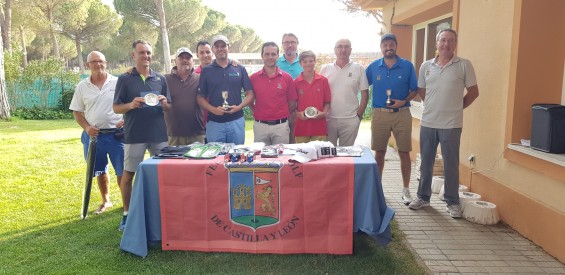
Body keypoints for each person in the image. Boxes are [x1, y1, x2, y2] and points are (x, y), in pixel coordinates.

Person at [409, 29, 479, 218]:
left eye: (450, 41)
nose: (446, 44)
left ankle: (452, 202)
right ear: (437, 43)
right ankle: (423, 197)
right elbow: (422, 91)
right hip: (428, 122)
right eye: (443, 40)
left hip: (452, 124)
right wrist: (433, 105)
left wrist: (457, 107)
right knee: (426, 162)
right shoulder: (426, 66)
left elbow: (473, 92)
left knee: (451, 164)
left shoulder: (464, 65)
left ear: (455, 44)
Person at [113, 40, 171, 231]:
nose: (145, 56)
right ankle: (127, 214)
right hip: (135, 134)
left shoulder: (160, 79)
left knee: (164, 175)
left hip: (159, 135)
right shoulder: (125, 78)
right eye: (141, 53)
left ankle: (164, 212)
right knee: (128, 176)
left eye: (148, 53)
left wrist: (164, 103)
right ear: (133, 55)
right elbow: (116, 106)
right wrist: (131, 105)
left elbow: (169, 106)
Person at [365, 33, 418, 205]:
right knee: (379, 152)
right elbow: (361, 86)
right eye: (385, 45)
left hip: (402, 113)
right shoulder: (373, 67)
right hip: (380, 114)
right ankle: (378, 189)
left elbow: (415, 89)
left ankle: (406, 190)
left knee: (404, 152)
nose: (388, 48)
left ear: (396, 46)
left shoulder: (407, 66)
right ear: (381, 47)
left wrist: (403, 101)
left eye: (391, 45)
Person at [69, 51, 124, 215]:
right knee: (100, 169)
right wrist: (87, 128)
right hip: (94, 136)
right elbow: (77, 113)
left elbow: (130, 105)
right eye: (93, 62)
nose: (97, 64)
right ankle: (106, 201)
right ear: (87, 65)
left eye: (100, 61)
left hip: (118, 135)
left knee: (123, 169)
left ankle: (126, 202)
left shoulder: (118, 82)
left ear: (106, 63)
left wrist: (127, 120)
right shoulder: (82, 86)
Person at [197, 35, 254, 145]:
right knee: (214, 159)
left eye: (223, 46)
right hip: (214, 123)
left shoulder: (239, 68)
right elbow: (200, 97)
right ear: (213, 49)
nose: (220, 49)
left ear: (229, 47)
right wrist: (213, 110)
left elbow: (250, 93)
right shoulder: (207, 70)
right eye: (217, 46)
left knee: (236, 158)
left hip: (236, 121)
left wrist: (239, 107)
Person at [320, 38, 369, 147]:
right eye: (340, 46)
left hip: (350, 120)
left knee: (347, 155)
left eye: (346, 46)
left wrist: (359, 115)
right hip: (328, 119)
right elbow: (319, 94)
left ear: (350, 50)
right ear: (335, 50)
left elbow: (365, 93)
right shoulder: (325, 69)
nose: (343, 49)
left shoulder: (358, 68)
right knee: (328, 154)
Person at [250, 42, 297, 145]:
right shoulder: (253, 78)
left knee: (282, 158)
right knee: (260, 159)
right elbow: (249, 100)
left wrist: (281, 113)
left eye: (273, 54)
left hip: (281, 126)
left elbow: (292, 102)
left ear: (277, 56)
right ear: (262, 56)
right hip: (260, 126)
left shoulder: (287, 78)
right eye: (267, 54)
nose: (270, 57)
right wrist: (257, 111)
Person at [164, 47, 205, 145]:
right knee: (174, 161)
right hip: (174, 135)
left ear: (192, 61)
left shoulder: (200, 79)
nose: (185, 60)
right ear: (175, 61)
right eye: (181, 58)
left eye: (188, 58)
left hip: (197, 134)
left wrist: (231, 61)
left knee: (198, 160)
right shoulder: (165, 79)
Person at [293, 50, 331, 143]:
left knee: (319, 155)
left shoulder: (323, 80)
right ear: (300, 63)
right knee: (302, 155)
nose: (308, 64)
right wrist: (298, 114)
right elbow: (292, 104)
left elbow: (327, 102)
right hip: (301, 126)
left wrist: (323, 113)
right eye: (305, 61)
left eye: (310, 61)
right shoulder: (295, 83)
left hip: (319, 126)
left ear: (315, 62)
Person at [278, 33, 303, 144]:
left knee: (298, 144)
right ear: (282, 45)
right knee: (281, 144)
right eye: (286, 42)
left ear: (297, 44)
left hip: (300, 109)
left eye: (292, 42)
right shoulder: (275, 63)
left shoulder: (305, 62)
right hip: (280, 110)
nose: (289, 45)